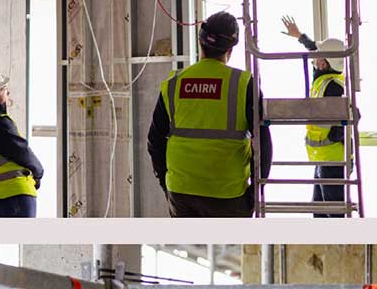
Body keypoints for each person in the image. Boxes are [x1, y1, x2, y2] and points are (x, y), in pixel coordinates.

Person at [147, 12, 271, 217]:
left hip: (181, 191)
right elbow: (263, 143)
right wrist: (255, 193)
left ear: (200, 43)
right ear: (230, 49)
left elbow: (155, 140)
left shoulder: (174, 83)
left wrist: (166, 182)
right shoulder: (243, 83)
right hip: (229, 194)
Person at [280, 16, 353, 215]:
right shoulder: (325, 79)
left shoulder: (333, 87)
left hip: (333, 161)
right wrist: (300, 36)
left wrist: (329, 138)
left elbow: (340, 127)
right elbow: (316, 50)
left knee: (333, 214)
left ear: (325, 63)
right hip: (325, 159)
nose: (314, 58)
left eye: (319, 57)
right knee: (320, 211)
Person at [0, 72, 43, 218]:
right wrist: (39, 173)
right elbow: (22, 152)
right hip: (17, 194)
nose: (8, 93)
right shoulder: (1, 123)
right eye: (4, 89)